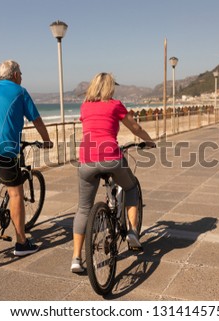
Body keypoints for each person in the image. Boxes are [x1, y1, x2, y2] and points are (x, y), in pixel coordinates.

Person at [71, 72, 155, 273]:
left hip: (87, 160)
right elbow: (135, 128)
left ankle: (76, 258)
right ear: (110, 88)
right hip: (111, 158)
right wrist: (149, 140)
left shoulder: (85, 106)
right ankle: (133, 232)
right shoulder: (115, 104)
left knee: (83, 209)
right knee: (131, 187)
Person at [0, 60, 53, 256]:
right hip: (4, 146)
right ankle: (21, 243)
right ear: (15, 75)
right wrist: (47, 140)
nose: (22, 76)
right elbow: (36, 119)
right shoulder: (20, 91)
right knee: (15, 193)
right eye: (21, 73)